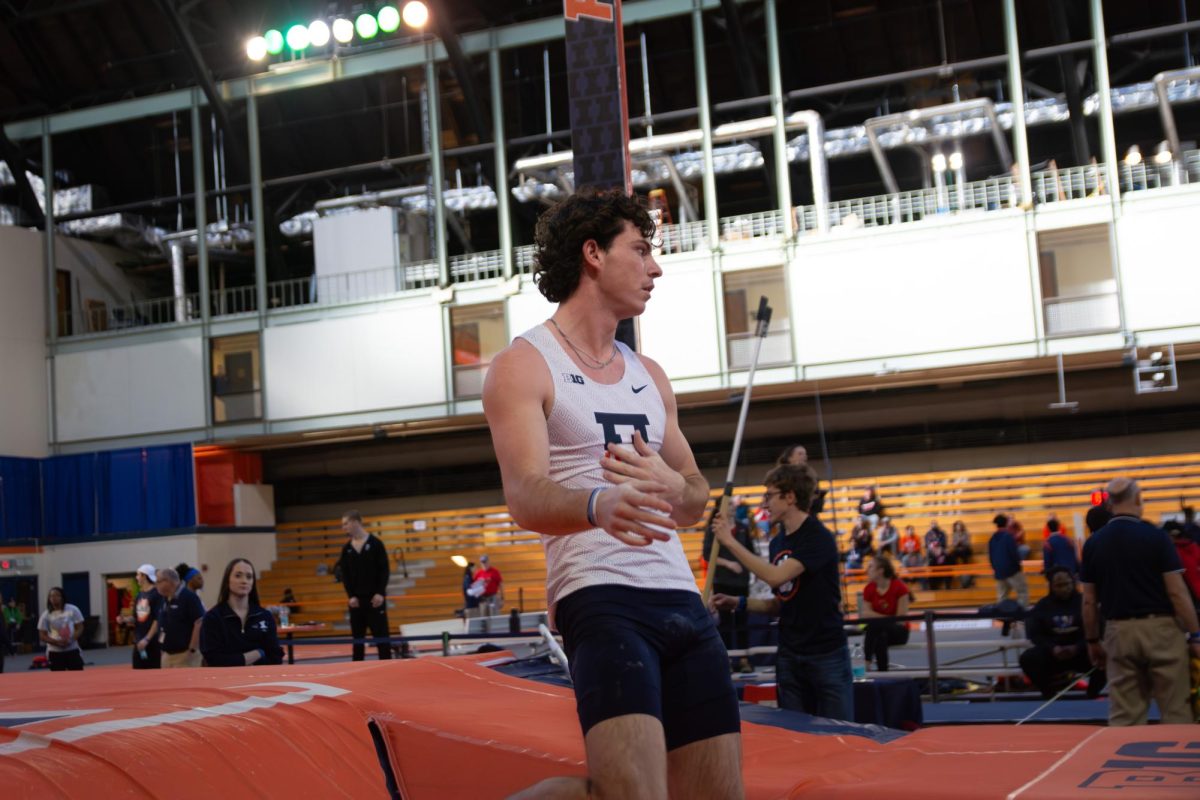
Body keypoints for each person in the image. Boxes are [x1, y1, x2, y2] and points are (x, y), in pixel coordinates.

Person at [483, 188, 740, 799]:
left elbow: (696, 496)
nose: (656, 268)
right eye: (642, 250)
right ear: (593, 253)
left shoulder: (649, 375)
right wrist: (598, 503)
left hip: (680, 598)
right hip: (601, 597)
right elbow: (523, 497)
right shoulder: (524, 364)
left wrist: (676, 486)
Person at [714, 464, 853, 721]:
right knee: (795, 736)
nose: (764, 503)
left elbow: (775, 576)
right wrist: (739, 602)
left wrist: (730, 542)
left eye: (769, 495)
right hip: (790, 653)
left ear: (789, 497)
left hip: (825, 654)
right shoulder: (779, 541)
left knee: (839, 733)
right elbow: (782, 603)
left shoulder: (817, 537)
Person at [1081, 477, 1200, 726]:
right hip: (1161, 629)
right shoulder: (1156, 537)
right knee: (1175, 709)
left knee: (1125, 714)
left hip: (1118, 630)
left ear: (1109, 505)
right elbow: (1177, 593)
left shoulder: (1093, 543)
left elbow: (1089, 601)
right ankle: (1178, 762)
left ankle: (1128, 762)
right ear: (1137, 499)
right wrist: (1195, 634)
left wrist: (1093, 640)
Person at [1019, 566, 1105, 698]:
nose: (1064, 589)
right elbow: (1035, 635)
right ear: (1051, 586)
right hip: (1054, 655)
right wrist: (1052, 648)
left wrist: (1078, 647)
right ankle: (1049, 694)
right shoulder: (1043, 605)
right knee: (1028, 658)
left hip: (1082, 653)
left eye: (1067, 584)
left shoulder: (1085, 602)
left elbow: (1099, 628)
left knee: (1109, 656)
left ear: (1073, 583)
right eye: (1059, 585)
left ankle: (1092, 694)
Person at [199, 558, 284, 667]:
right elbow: (214, 660)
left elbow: (275, 657)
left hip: (259, 680)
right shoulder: (213, 618)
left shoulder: (265, 617)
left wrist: (238, 660)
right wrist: (258, 653)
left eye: (249, 577)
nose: (244, 581)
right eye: (238, 575)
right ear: (227, 579)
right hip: (226, 681)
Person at [702, 497, 753, 673]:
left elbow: (751, 551)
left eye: (733, 504)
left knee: (742, 620)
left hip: (741, 581)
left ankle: (745, 659)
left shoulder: (743, 527)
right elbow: (707, 554)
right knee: (724, 622)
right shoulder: (713, 529)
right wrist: (728, 563)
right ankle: (728, 660)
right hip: (722, 580)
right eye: (729, 504)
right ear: (721, 507)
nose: (733, 506)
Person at [336, 510, 392, 661]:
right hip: (356, 602)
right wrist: (351, 596)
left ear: (356, 522)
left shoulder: (376, 544)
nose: (344, 527)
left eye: (346, 523)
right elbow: (345, 576)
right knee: (357, 642)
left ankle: (390, 670)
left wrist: (380, 592)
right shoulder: (346, 549)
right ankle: (356, 674)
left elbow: (384, 570)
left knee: (382, 639)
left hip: (375, 600)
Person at [860, 555, 911, 672]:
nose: (867, 570)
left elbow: (900, 619)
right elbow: (865, 613)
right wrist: (887, 619)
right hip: (880, 632)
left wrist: (879, 619)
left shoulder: (900, 587)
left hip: (899, 632)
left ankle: (867, 662)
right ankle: (883, 672)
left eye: (871, 567)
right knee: (880, 636)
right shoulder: (869, 588)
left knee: (874, 627)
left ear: (880, 570)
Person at [155, 567, 205, 668]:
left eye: (158, 582)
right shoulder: (165, 599)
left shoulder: (189, 597)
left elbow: (199, 622)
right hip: (167, 655)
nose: (156, 585)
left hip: (184, 655)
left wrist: (192, 650)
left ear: (169, 581)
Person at [117, 564, 162, 669]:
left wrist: (147, 639)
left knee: (153, 673)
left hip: (152, 643)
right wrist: (124, 619)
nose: (136, 577)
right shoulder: (140, 595)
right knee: (138, 671)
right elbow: (135, 617)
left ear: (144, 576)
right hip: (139, 642)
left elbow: (157, 619)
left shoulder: (157, 595)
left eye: (138, 575)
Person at [37, 586, 85, 671]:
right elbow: (42, 635)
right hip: (55, 651)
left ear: (62, 597)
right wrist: (56, 642)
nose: (54, 598)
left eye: (57, 595)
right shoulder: (46, 614)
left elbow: (80, 627)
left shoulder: (73, 609)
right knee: (58, 679)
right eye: (51, 596)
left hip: (72, 649)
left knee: (77, 676)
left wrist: (71, 639)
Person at [989, 513, 1028, 607]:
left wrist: (996, 569)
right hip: (1012, 571)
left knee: (1002, 596)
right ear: (1006, 524)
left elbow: (991, 557)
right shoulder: (1008, 537)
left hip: (999, 572)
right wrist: (1018, 567)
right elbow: (1014, 554)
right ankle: (1021, 616)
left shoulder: (992, 539)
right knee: (1022, 592)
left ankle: (1004, 617)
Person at [776, 444, 827, 516]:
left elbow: (817, 506)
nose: (804, 456)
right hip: (790, 517)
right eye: (800, 454)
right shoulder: (781, 476)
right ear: (789, 458)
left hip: (809, 516)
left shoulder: (811, 476)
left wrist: (819, 496)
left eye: (805, 454)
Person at [950, 521, 974, 588]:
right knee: (952, 554)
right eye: (957, 526)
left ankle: (965, 566)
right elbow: (953, 544)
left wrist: (962, 542)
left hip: (965, 548)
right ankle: (955, 567)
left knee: (964, 552)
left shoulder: (966, 533)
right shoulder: (954, 534)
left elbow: (968, 543)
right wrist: (957, 543)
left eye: (959, 526)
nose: (958, 527)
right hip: (958, 549)